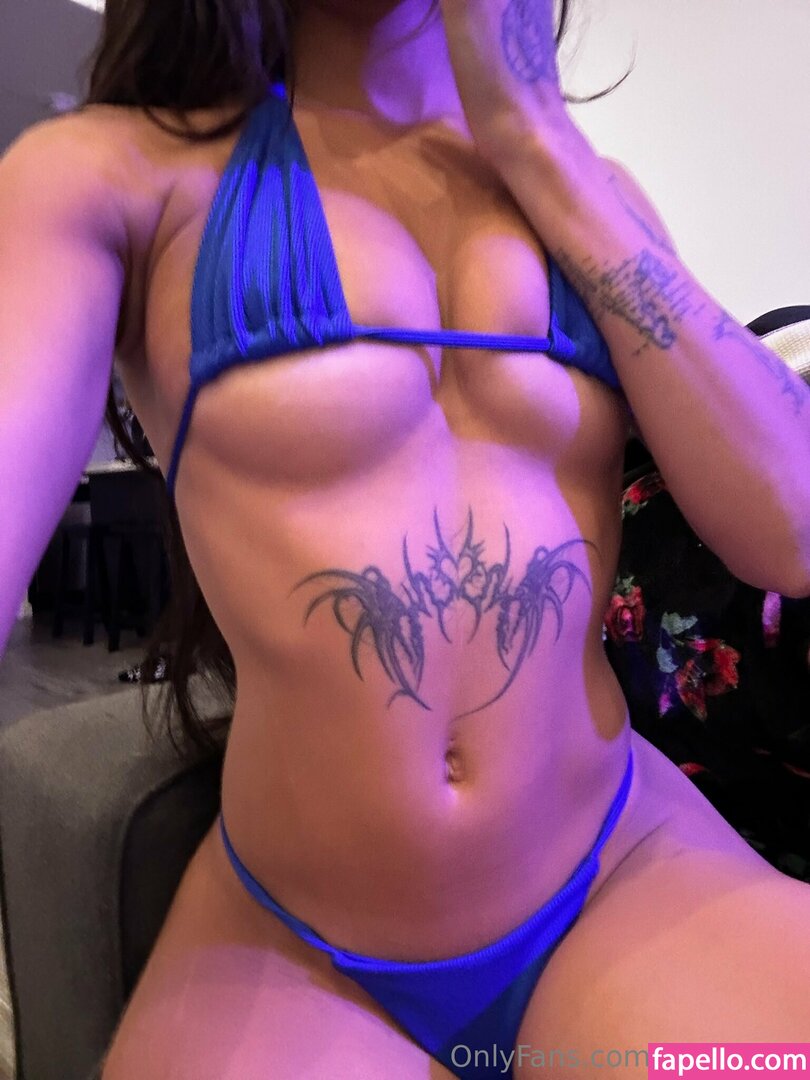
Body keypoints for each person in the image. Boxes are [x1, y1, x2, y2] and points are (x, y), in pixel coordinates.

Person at [1, 0, 809, 1076]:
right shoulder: (117, 178)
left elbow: (792, 529)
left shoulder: (594, 193)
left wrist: (533, 131)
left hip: (618, 871)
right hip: (302, 942)